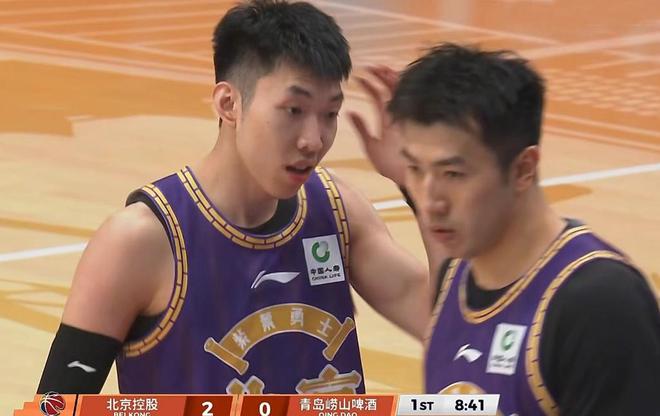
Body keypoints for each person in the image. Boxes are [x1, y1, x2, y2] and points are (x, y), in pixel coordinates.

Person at [37, 0, 429, 395]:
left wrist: (419, 179)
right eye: (293, 110)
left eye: (329, 114)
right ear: (229, 104)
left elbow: (446, 325)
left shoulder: (336, 211)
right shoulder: (140, 240)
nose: (314, 140)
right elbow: (56, 405)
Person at [351, 43, 660, 415]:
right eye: (416, 169)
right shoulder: (455, 278)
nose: (432, 201)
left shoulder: (599, 304)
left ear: (523, 169)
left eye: (453, 174)